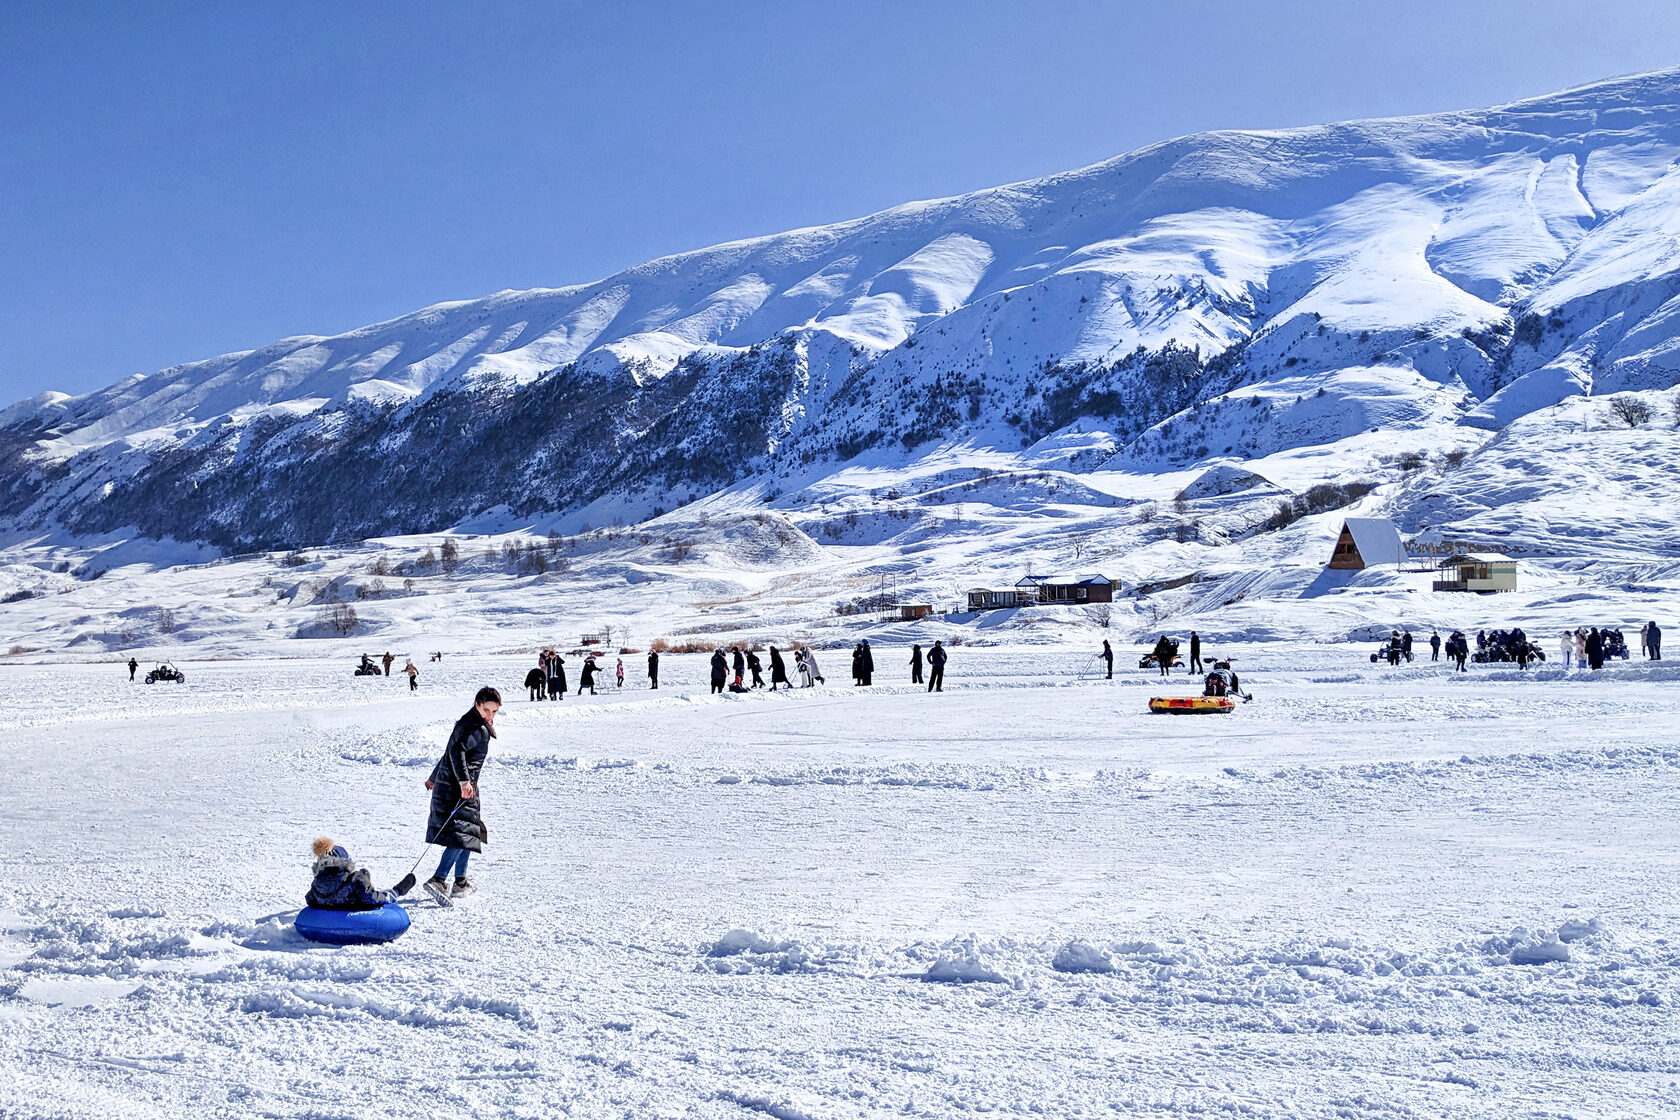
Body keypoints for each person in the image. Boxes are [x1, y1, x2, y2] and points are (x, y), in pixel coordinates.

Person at [422, 687, 500, 904]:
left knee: (469, 832)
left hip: (457, 785)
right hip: (460, 788)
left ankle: (461, 882)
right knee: (462, 834)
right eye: (487, 709)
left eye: (494, 711)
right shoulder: (475, 727)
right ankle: (438, 879)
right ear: (477, 704)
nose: (490, 715)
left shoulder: (469, 723)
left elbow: (450, 752)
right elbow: (456, 753)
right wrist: (464, 781)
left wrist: (434, 776)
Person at [307, 837, 414, 910]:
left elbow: (310, 899)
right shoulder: (354, 879)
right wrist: (395, 893)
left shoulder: (317, 883)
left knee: (364, 875)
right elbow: (370, 899)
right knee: (364, 877)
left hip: (328, 916)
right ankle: (399, 890)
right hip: (352, 913)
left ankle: (367, 883)